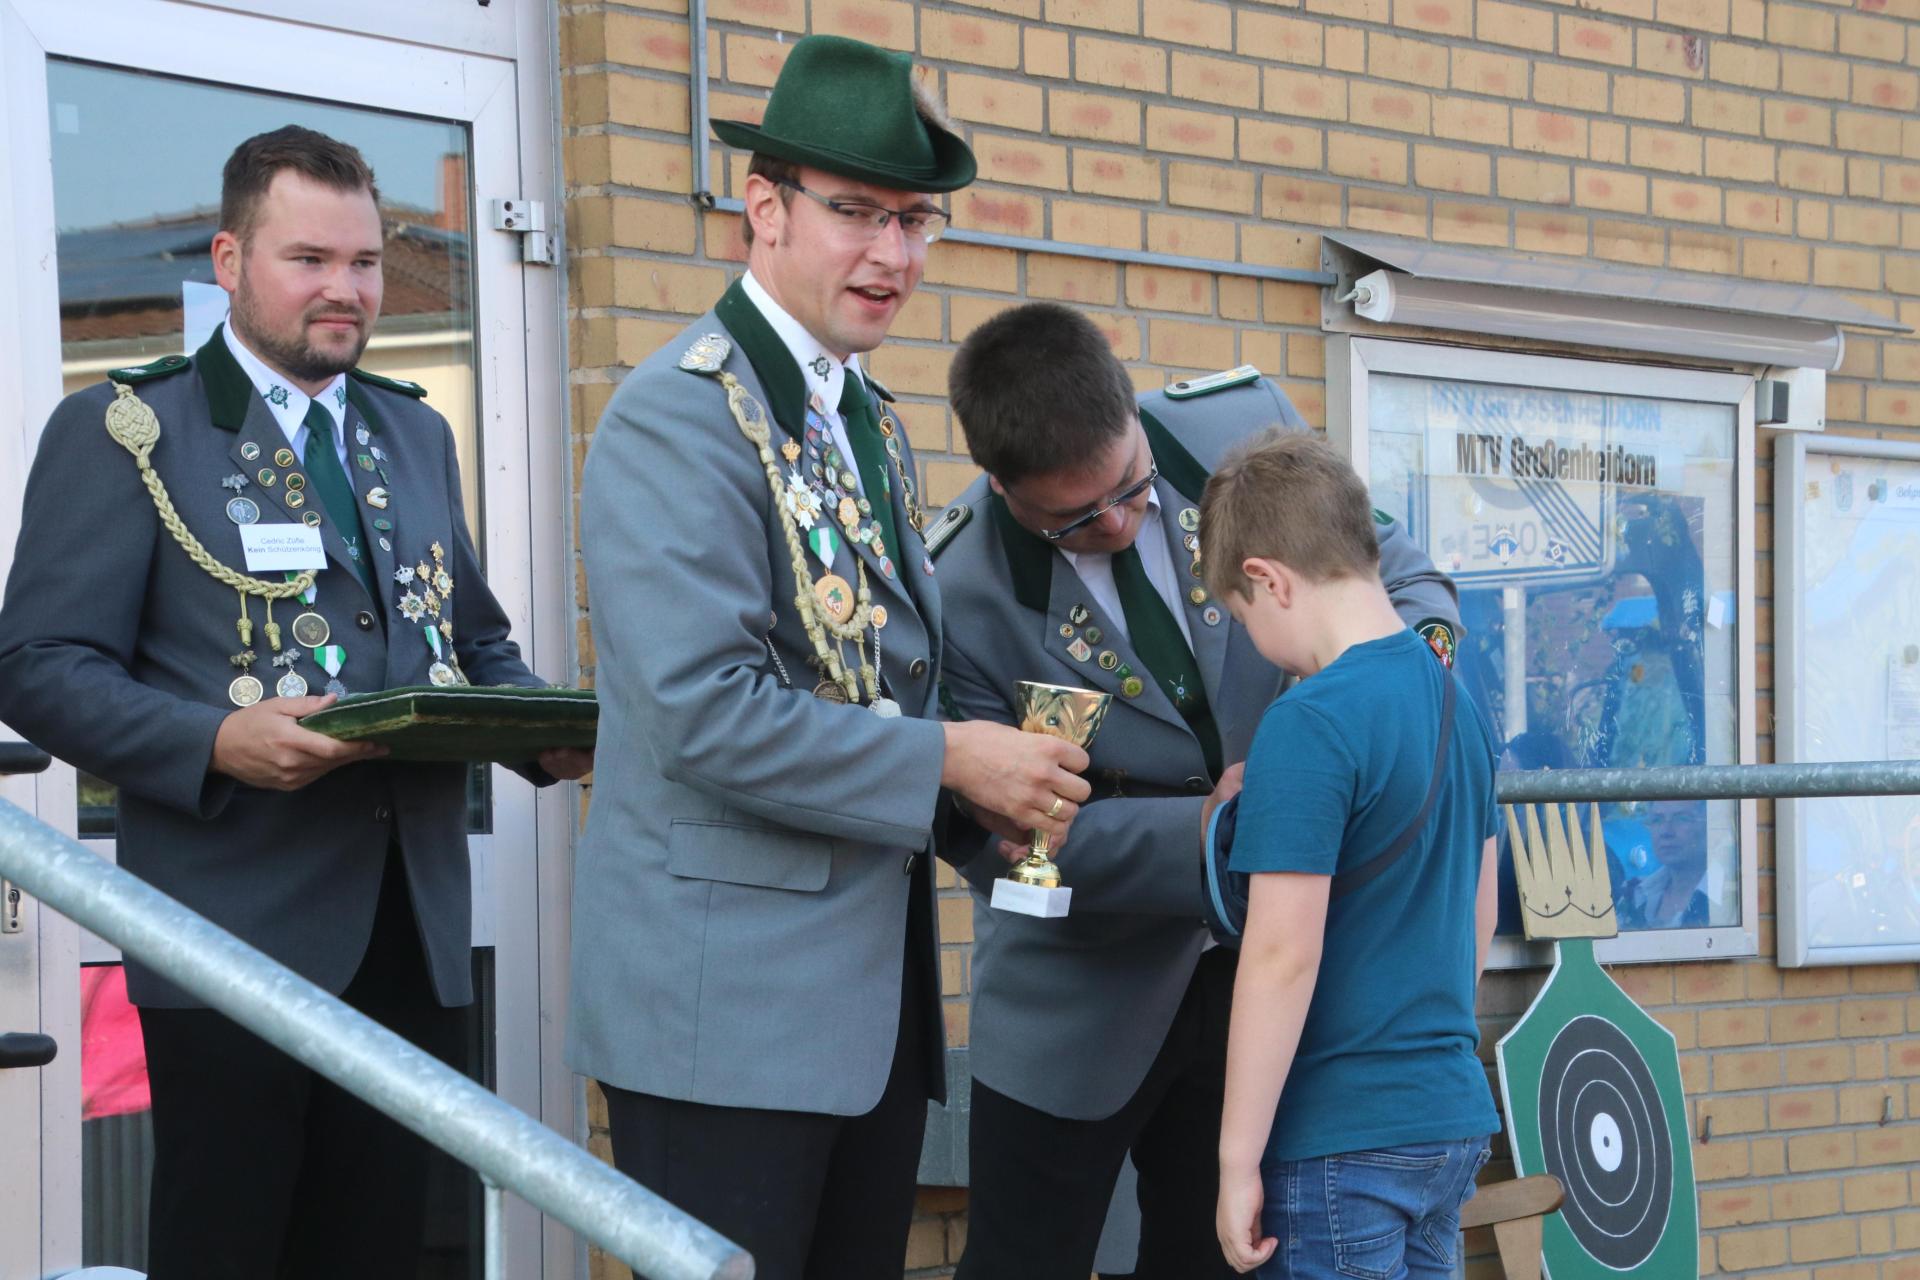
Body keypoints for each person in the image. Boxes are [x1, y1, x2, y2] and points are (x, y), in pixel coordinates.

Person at [0, 125, 591, 1279]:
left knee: (380, 1252)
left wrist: (543, 731)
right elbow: (38, 662)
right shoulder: (131, 428)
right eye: (309, 259)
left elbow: (470, 639)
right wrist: (213, 738)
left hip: (411, 927)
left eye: (364, 261)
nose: (347, 289)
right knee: (229, 1250)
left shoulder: (413, 428)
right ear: (230, 260)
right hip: (233, 935)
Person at [567, 36, 1088, 1279]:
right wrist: (951, 759)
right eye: (857, 211)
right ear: (766, 207)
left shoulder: (865, 418)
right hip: (727, 1023)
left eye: (915, 220)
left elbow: (886, 681)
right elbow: (706, 711)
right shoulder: (679, 412)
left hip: (865, 1014)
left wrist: (999, 793)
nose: (892, 254)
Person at [932, 302, 1462, 1280]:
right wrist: (1221, 828)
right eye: (1075, 521)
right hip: (1076, 999)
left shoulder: (1238, 427)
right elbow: (996, 843)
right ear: (1003, 489)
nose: (1119, 522)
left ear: (1132, 408)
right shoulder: (957, 585)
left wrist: (1391, 711)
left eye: (1131, 486)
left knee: (1220, 1262)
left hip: (1264, 995)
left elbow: (1404, 583)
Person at [1199, 432, 1501, 1277]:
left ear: (1268, 580)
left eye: (1243, 615)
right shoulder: (1458, 703)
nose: (1254, 637)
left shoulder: (1310, 720)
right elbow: (1479, 910)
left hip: (1339, 1133)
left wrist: (1235, 1161)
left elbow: (1282, 955)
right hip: (1448, 1115)